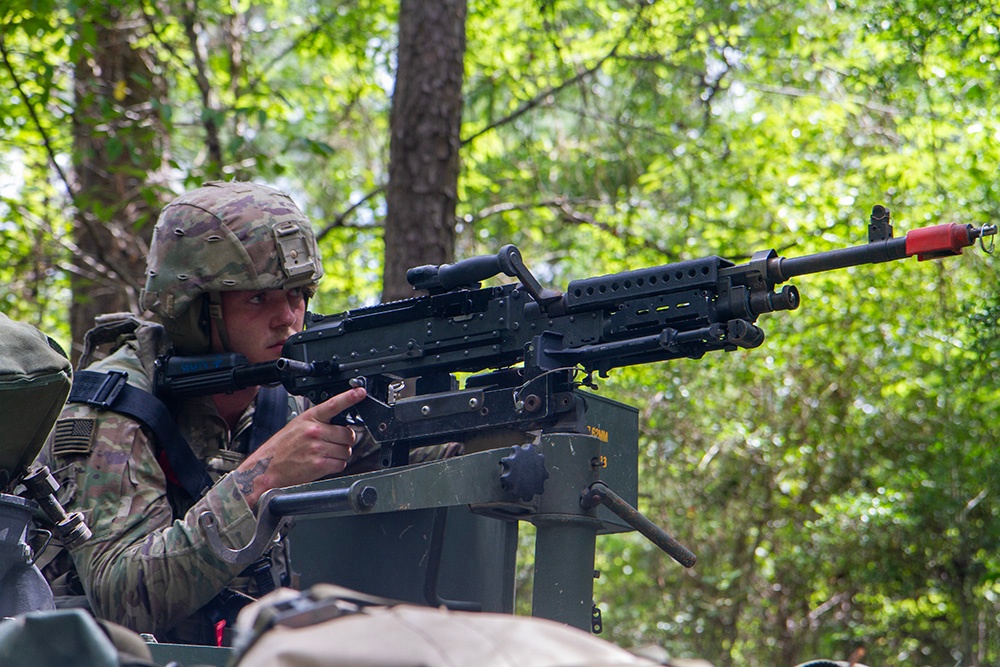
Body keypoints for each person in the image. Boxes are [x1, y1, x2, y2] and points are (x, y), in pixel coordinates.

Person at [34, 181, 374, 646]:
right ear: (192, 309)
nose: (288, 318)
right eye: (259, 298)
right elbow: (121, 595)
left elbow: (433, 457)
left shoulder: (301, 383)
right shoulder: (114, 407)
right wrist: (262, 478)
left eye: (297, 294)